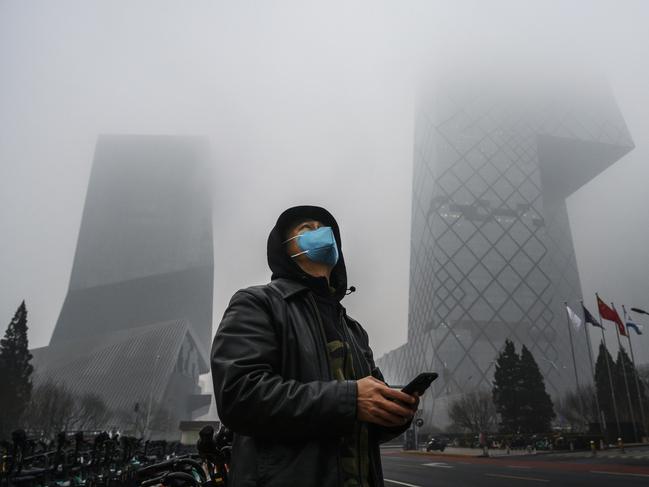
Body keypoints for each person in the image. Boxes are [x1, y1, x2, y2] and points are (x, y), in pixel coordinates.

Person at [211, 205, 419, 487]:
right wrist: (349, 399)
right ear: (285, 249)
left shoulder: (353, 330)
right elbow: (238, 395)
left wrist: (394, 413)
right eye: (306, 229)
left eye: (324, 229)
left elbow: (365, 421)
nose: (320, 233)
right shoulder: (259, 304)